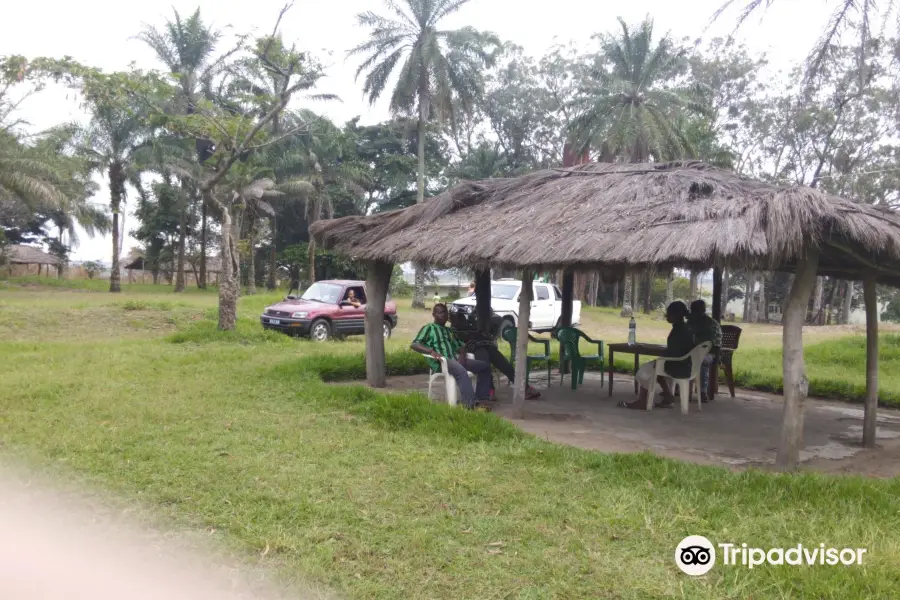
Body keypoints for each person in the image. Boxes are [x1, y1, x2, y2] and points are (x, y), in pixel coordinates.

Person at [411, 304, 493, 410]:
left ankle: (482, 399)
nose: (444, 315)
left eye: (445, 312)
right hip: (441, 361)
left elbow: (461, 346)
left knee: (485, 366)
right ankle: (471, 405)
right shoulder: (429, 328)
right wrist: (431, 351)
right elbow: (415, 344)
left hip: (455, 360)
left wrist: (463, 355)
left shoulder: (449, 331)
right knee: (461, 370)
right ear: (434, 315)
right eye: (440, 312)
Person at [619, 301, 695, 409]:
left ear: (677, 315)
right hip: (686, 364)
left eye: (669, 313)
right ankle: (668, 396)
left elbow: (674, 352)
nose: (666, 316)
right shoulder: (685, 328)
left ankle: (642, 401)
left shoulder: (679, 331)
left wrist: (658, 354)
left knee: (645, 370)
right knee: (656, 367)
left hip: (677, 365)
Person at [688, 299, 722, 403]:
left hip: (709, 353)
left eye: (697, 310)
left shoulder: (711, 324)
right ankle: (676, 388)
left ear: (703, 310)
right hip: (691, 352)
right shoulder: (691, 322)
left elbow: (714, 346)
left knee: (701, 361)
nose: (695, 312)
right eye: (693, 310)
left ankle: (702, 392)